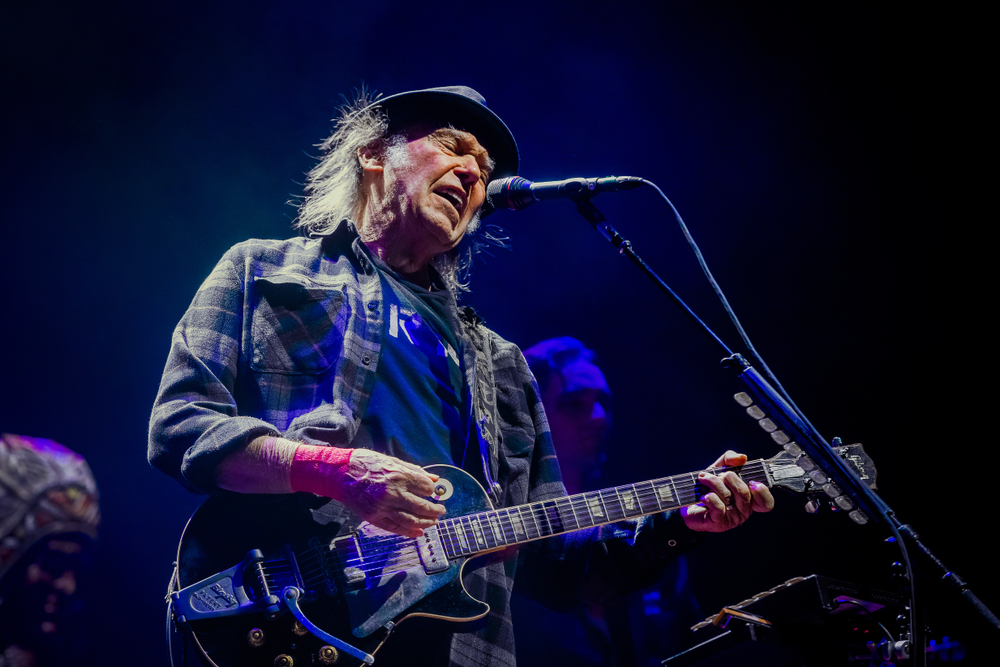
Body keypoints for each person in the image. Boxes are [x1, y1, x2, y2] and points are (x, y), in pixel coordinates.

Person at [148, 85, 774, 667]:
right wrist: (337, 471)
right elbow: (180, 428)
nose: (475, 173)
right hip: (283, 613)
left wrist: (679, 524)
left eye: (485, 168)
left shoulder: (502, 367)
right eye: (454, 146)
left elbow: (558, 569)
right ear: (373, 153)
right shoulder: (264, 272)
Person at [512, 338, 702, 666]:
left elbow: (692, 642)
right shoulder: (511, 544)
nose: (599, 417)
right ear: (532, 421)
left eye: (604, 402)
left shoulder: (646, 524)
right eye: (574, 404)